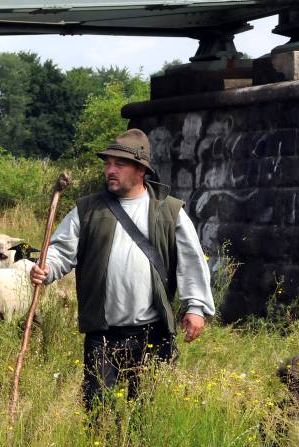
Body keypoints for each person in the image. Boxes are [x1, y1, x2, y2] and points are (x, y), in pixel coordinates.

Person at [30, 128, 215, 406]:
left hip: (152, 333)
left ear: (140, 170)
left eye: (119, 164)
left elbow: (191, 260)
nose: (110, 170)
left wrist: (196, 307)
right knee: (98, 410)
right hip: (102, 335)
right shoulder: (87, 210)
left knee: (146, 412)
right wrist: (46, 268)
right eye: (108, 164)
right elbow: (60, 250)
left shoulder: (169, 210)